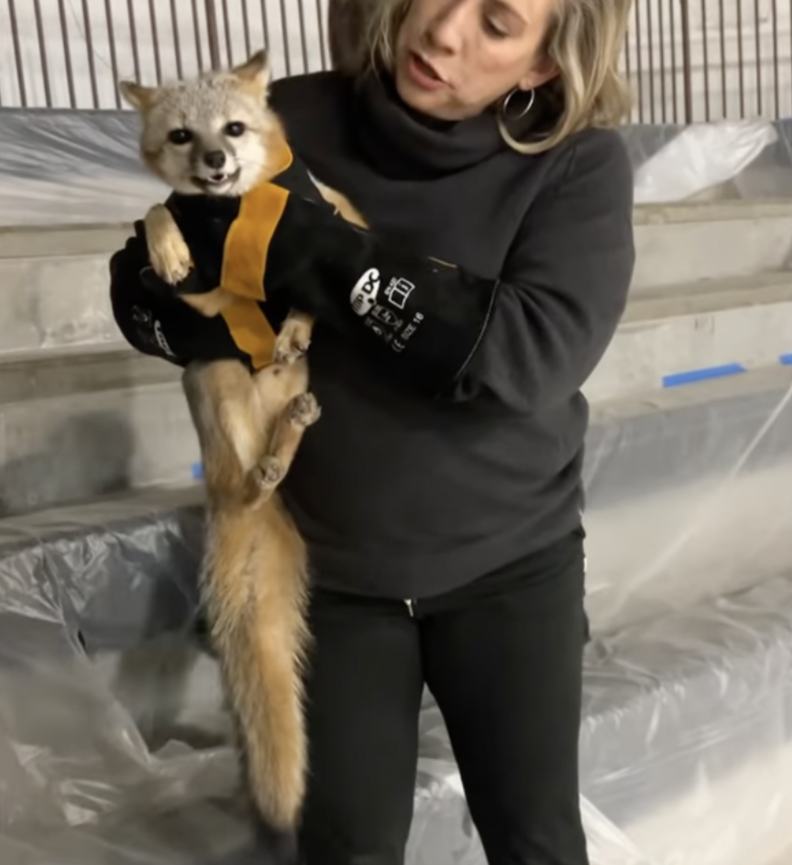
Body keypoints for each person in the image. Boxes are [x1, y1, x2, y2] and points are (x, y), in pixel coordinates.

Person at [109, 0, 636, 862]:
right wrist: (180, 308)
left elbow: (530, 358)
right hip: (331, 575)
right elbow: (144, 299)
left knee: (536, 839)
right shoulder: (286, 119)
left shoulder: (576, 165)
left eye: (498, 25)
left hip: (508, 565)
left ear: (542, 64)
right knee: (345, 846)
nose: (444, 31)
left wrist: (334, 263)